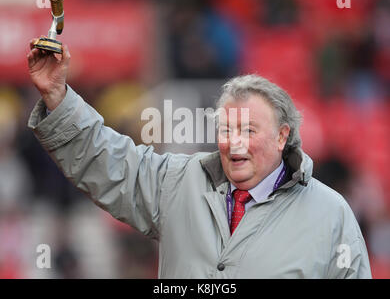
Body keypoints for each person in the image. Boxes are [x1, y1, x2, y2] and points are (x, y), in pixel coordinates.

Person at [26, 39, 372, 278]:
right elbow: (109, 162)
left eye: (249, 131)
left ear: (283, 136)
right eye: (226, 130)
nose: (234, 144)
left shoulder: (330, 214)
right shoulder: (178, 181)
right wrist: (59, 98)